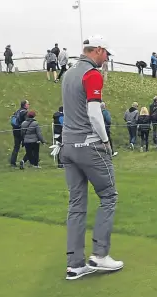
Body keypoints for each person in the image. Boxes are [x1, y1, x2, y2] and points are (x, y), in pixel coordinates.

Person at [58, 35, 123, 280]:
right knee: (109, 196)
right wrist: (106, 141)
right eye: (106, 54)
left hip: (68, 145)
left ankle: (75, 264)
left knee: (76, 205)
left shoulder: (68, 74)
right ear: (97, 50)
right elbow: (95, 113)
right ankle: (100, 255)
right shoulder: (91, 74)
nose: (106, 59)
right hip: (89, 145)